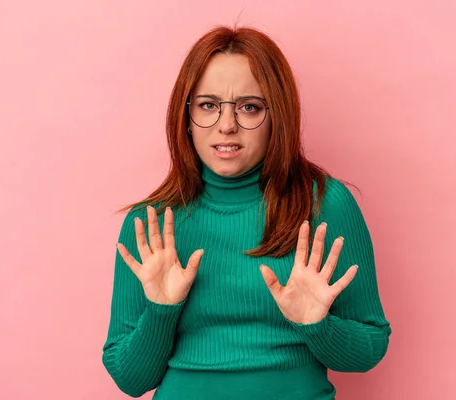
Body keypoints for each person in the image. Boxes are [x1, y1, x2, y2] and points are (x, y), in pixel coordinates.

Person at [101, 25, 391, 400]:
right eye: (208, 105)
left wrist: (317, 325)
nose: (226, 126)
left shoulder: (325, 204)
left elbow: (369, 349)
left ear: (277, 116)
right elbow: (131, 380)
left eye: (249, 107)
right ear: (185, 117)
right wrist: (161, 310)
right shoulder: (151, 225)